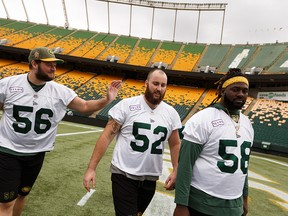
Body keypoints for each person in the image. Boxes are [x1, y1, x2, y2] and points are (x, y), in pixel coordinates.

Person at [0, 47, 122, 216]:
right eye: (49, 64)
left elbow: (85, 107)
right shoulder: (8, 85)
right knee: (6, 202)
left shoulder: (59, 91)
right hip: (8, 151)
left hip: (36, 154)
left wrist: (107, 99)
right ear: (34, 63)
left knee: (22, 195)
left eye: (55, 64)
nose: (54, 68)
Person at [83, 69, 182, 216]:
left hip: (150, 178)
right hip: (124, 174)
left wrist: (176, 169)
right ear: (146, 83)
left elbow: (175, 143)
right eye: (155, 84)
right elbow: (107, 136)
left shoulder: (171, 113)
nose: (159, 88)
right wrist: (91, 168)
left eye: (163, 85)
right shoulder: (127, 105)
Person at [174, 68, 254, 216]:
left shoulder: (247, 123)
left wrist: (244, 198)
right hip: (202, 203)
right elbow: (185, 163)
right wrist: (181, 204)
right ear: (222, 91)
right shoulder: (202, 118)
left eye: (245, 91)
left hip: (234, 206)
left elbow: (244, 166)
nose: (241, 94)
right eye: (235, 89)